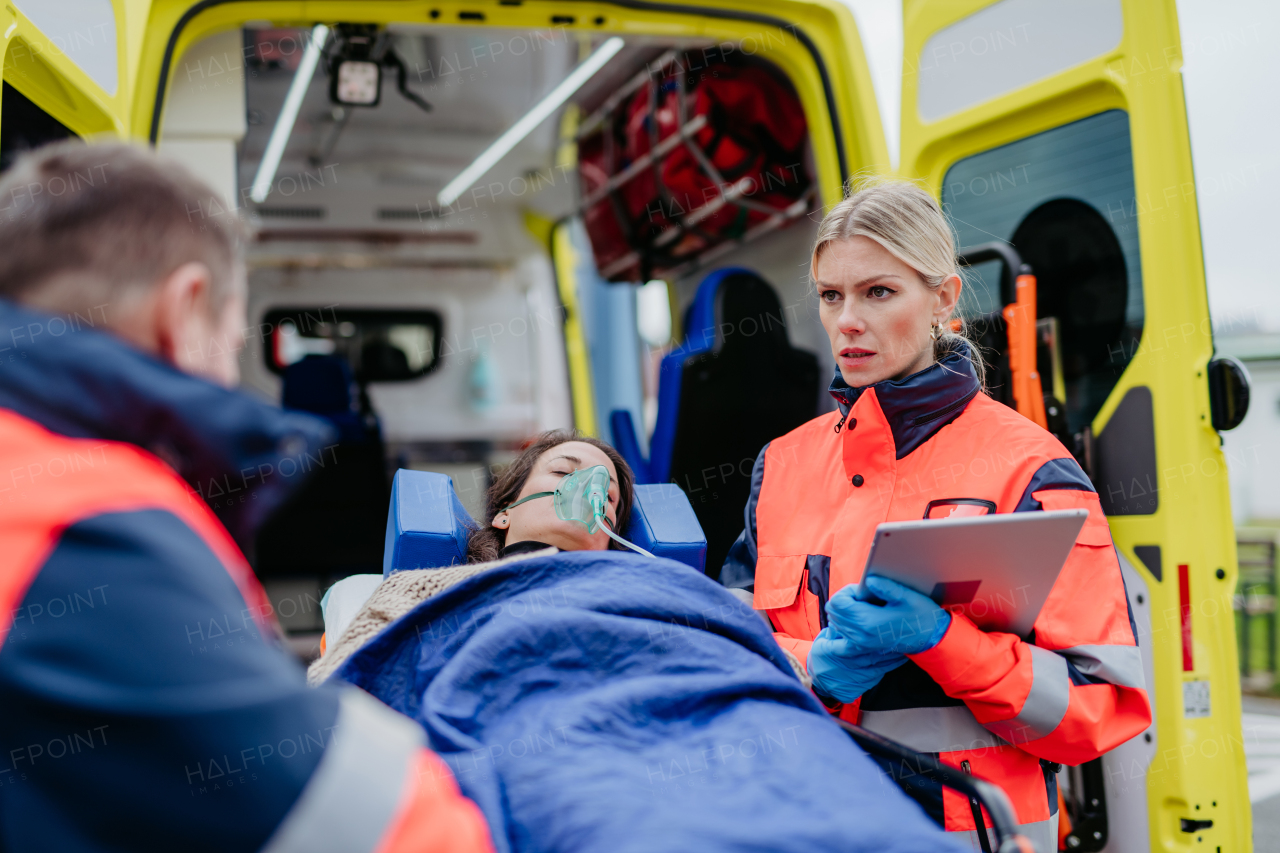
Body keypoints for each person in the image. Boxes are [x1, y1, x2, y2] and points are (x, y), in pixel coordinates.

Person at [0, 141, 492, 852]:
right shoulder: (87, 526)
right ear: (185, 309)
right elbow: (386, 830)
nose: (227, 377)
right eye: (232, 344)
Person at [719, 180, 1151, 849]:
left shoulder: (1030, 468)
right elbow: (723, 653)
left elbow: (1098, 709)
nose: (847, 320)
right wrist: (811, 666)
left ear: (944, 299)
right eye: (831, 295)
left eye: (878, 292)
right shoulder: (780, 465)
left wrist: (947, 644)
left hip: (967, 831)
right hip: (807, 821)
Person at [465, 430, 636, 562]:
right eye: (562, 472)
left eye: (607, 495)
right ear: (504, 512)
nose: (587, 488)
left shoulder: (644, 589)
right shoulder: (450, 589)